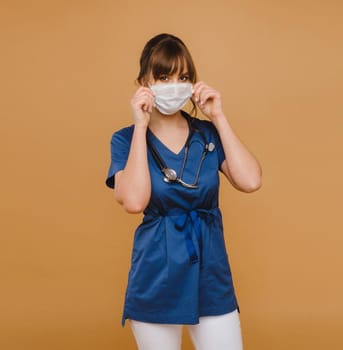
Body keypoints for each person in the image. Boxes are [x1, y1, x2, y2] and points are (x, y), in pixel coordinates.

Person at [105, 33, 262, 350]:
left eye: (183, 77)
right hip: (156, 276)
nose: (174, 84)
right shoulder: (125, 139)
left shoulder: (206, 134)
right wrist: (140, 125)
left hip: (209, 274)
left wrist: (218, 116)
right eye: (163, 77)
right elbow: (134, 201)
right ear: (144, 82)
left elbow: (250, 181)